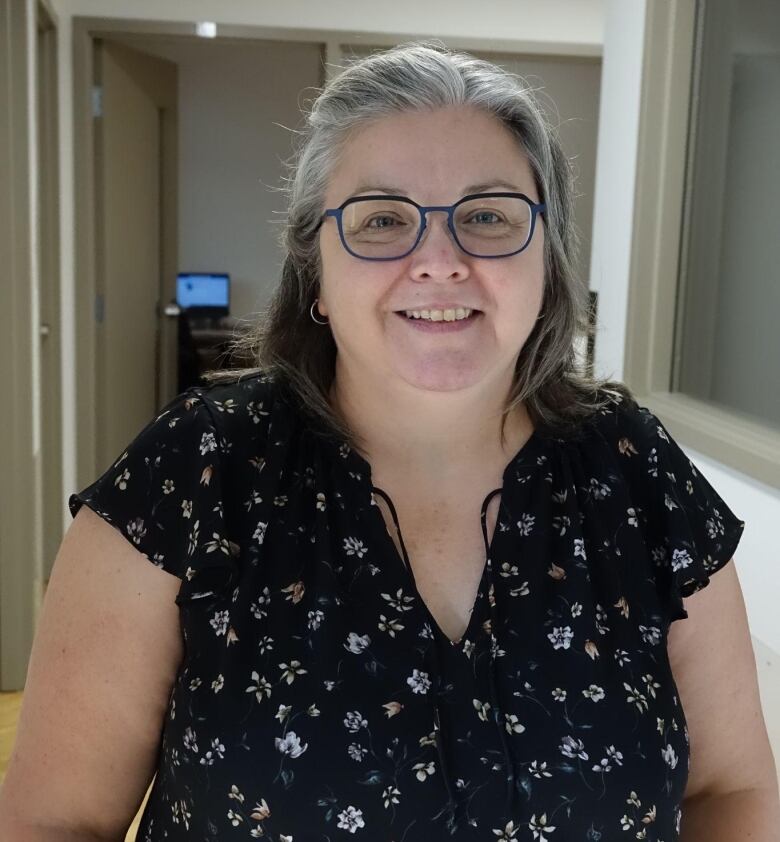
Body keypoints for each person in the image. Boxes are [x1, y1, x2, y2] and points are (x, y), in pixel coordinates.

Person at [1, 41, 778, 842]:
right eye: (381, 220)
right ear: (316, 273)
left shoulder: (633, 470)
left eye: (487, 216)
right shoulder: (200, 473)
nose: (439, 262)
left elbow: (733, 789)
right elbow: (56, 821)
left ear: (546, 259)